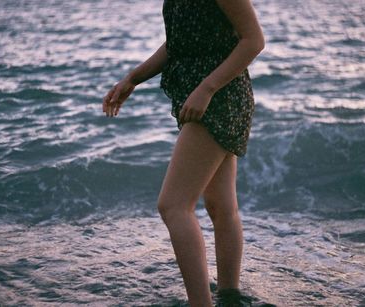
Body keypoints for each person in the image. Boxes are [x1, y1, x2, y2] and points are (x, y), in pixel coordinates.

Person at [103, 0, 265, 305]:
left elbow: (254, 40)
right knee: (220, 206)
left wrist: (207, 88)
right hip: (208, 97)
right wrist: (133, 78)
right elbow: (180, 40)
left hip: (221, 98)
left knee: (173, 205)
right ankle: (230, 298)